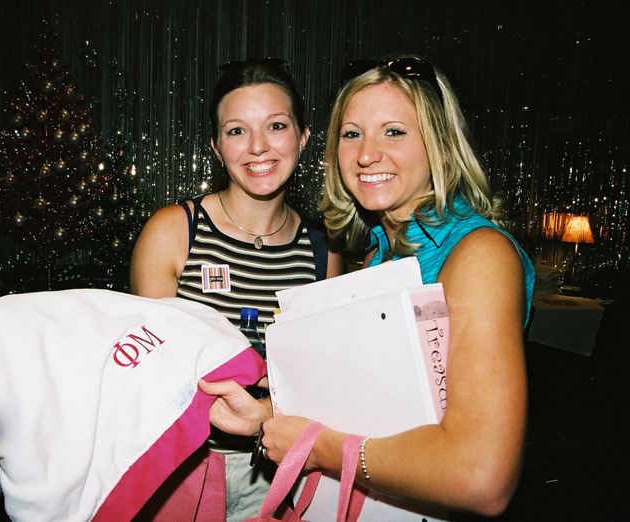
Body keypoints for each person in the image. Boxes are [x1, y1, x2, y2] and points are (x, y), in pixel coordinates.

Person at [199, 53, 535, 518]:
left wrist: (317, 449)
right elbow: (376, 405)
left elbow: (481, 478)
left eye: (393, 131)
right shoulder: (379, 255)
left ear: (438, 143)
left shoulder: (478, 255)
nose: (366, 154)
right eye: (351, 134)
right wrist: (268, 413)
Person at [130, 58, 343, 520]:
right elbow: (145, 375)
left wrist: (268, 412)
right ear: (215, 145)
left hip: (286, 469)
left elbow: (326, 379)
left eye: (276, 126)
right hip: (183, 469)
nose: (258, 147)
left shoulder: (323, 250)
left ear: (303, 137)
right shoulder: (174, 232)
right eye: (236, 131)